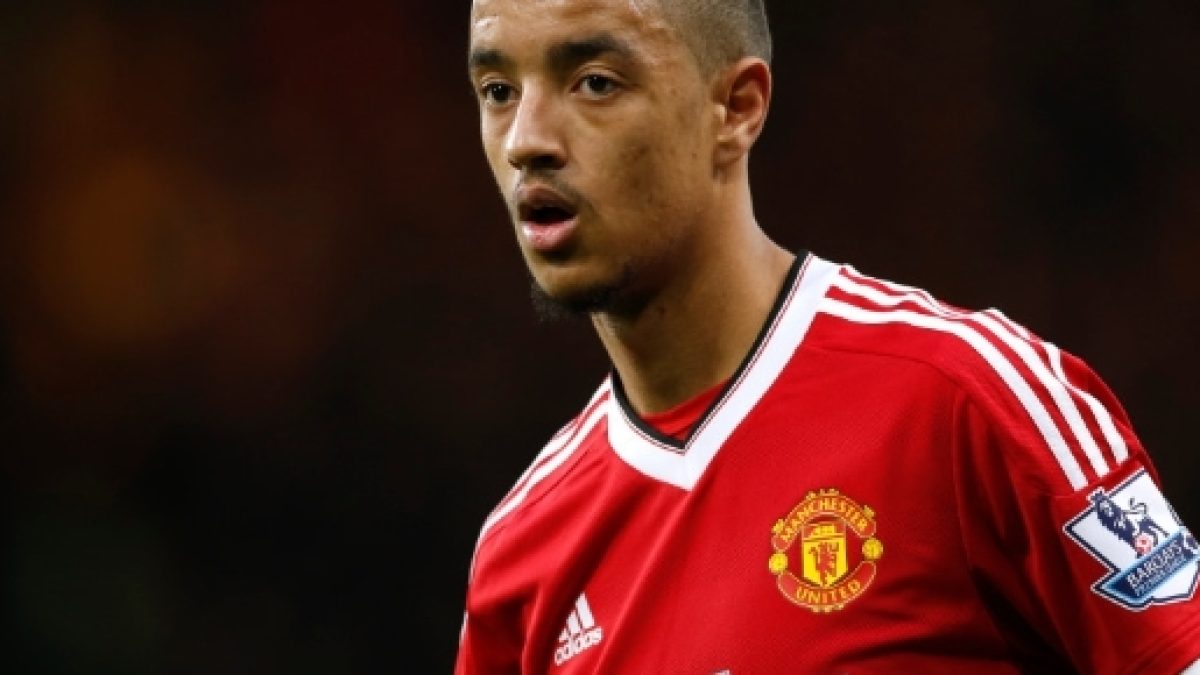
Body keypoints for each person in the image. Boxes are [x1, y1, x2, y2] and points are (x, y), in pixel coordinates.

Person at [457, 0, 1200, 672]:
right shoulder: (522, 554)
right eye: (498, 91)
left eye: (594, 83)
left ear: (737, 108)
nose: (526, 141)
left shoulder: (967, 397)